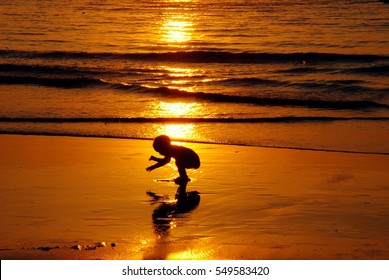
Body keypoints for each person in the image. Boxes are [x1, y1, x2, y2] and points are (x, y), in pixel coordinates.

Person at [146, 135, 200, 200]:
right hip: (192, 160)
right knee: (178, 161)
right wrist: (154, 162)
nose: (160, 153)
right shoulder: (170, 149)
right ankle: (183, 177)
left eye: (160, 151)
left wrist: (153, 165)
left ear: (164, 146)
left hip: (193, 161)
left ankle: (184, 177)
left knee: (178, 162)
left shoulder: (171, 150)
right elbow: (165, 160)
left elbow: (165, 161)